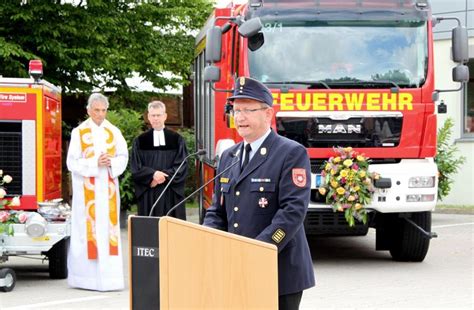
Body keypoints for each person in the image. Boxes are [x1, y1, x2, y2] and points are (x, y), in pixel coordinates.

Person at [203, 77, 315, 310]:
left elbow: (292, 212)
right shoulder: (229, 155)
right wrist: (209, 240)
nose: (240, 117)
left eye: (248, 110)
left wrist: (257, 251)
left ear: (268, 114)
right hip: (236, 266)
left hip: (278, 269)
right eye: (236, 110)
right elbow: (217, 209)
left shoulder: (291, 152)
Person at [66, 93, 128, 291]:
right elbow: (71, 162)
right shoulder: (79, 132)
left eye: (103, 110)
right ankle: (84, 279)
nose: (100, 115)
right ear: (88, 110)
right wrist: (95, 163)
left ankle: (110, 279)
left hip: (108, 190)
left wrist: (112, 162)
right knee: (87, 231)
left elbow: (123, 156)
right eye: (96, 110)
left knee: (108, 231)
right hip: (87, 194)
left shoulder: (114, 131)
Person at [130, 100, 188, 218]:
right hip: (149, 191)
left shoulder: (177, 140)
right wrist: (153, 175)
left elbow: (182, 165)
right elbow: (136, 167)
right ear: (148, 117)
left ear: (165, 116)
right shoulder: (140, 141)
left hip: (170, 191)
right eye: (153, 115)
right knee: (150, 229)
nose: (156, 118)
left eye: (159, 115)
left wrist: (162, 177)